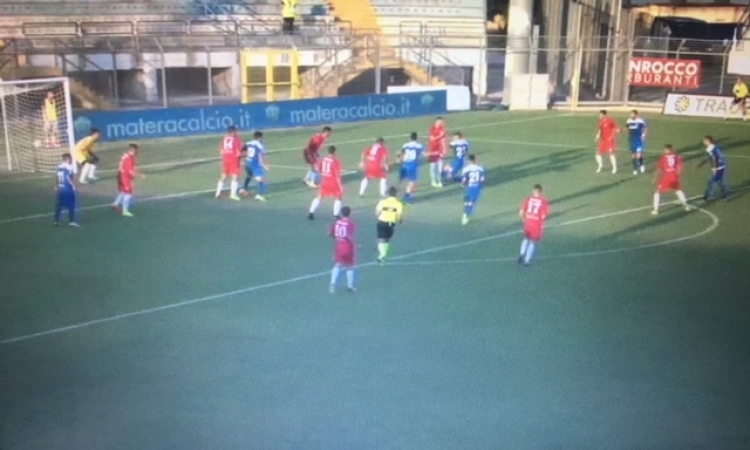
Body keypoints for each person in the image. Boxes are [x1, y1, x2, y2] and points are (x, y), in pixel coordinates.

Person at [651, 144, 691, 215]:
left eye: (665, 149)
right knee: (678, 190)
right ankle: (686, 206)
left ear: (668, 150)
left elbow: (659, 168)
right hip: (674, 176)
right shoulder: (676, 156)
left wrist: (655, 177)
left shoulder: (663, 158)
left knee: (657, 192)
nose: (664, 151)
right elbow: (680, 166)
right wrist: (677, 175)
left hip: (667, 177)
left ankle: (655, 210)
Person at [518, 184, 550, 266]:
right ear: (541, 192)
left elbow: (521, 213)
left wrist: (524, 220)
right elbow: (543, 216)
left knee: (525, 239)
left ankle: (522, 254)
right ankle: (527, 261)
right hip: (536, 224)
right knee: (532, 242)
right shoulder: (544, 202)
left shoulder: (528, 199)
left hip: (528, 222)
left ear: (533, 191)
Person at [308, 145, 343, 220]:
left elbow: (319, 170)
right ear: (335, 152)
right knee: (338, 197)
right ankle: (335, 215)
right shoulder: (335, 162)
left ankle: (311, 212)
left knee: (319, 197)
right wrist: (340, 186)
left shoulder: (323, 159)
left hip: (324, 181)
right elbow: (337, 175)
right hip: (333, 183)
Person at [329, 206, 357, 293]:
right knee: (349, 266)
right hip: (348, 246)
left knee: (337, 264)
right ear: (350, 213)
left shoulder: (337, 223)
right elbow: (350, 235)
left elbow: (330, 234)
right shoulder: (351, 223)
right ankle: (350, 286)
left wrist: (337, 237)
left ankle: (332, 284)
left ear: (341, 213)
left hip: (339, 245)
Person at [375, 186, 404, 264]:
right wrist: (400, 221)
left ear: (388, 193)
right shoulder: (398, 204)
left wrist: (380, 216)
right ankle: (383, 255)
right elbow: (399, 215)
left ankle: (382, 254)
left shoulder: (382, 202)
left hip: (381, 222)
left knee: (381, 239)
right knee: (387, 239)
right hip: (390, 223)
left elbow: (377, 212)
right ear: (396, 194)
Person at [113, 143, 143, 217]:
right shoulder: (129, 159)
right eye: (136, 150)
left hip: (123, 176)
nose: (137, 152)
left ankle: (116, 204)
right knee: (128, 193)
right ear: (133, 150)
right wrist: (140, 175)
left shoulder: (128, 156)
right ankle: (125, 211)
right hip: (125, 177)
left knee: (124, 191)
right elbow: (130, 171)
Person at [698, 135, 731, 202]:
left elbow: (714, 158)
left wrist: (715, 168)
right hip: (722, 165)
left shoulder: (710, 148)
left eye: (705, 140)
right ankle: (725, 196)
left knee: (712, 182)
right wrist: (701, 164)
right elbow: (713, 157)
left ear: (708, 141)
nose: (703, 141)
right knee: (720, 181)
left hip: (718, 167)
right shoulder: (716, 146)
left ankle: (707, 197)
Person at [215, 125, 243, 201]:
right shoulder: (236, 139)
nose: (237, 132)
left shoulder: (224, 139)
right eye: (236, 131)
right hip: (234, 160)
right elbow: (238, 153)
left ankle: (218, 192)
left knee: (223, 176)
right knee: (235, 177)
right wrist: (244, 155)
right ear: (233, 132)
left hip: (226, 160)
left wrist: (225, 158)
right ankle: (233, 194)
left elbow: (221, 152)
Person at [240, 131, 269, 202]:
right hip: (255, 164)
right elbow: (260, 156)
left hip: (247, 163)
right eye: (262, 137)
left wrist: (245, 155)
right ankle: (259, 195)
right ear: (259, 138)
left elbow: (242, 150)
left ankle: (244, 189)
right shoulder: (260, 145)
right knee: (260, 179)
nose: (263, 139)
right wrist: (264, 165)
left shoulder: (249, 143)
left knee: (249, 176)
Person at [398, 132, 425, 203]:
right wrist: (434, 153)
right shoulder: (419, 146)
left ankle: (395, 192)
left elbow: (401, 154)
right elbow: (424, 154)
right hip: (412, 165)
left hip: (405, 164)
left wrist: (399, 160)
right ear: (417, 138)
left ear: (410, 138)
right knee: (412, 181)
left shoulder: (405, 145)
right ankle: (406, 195)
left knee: (401, 179)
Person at [54, 153, 79, 227]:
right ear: (68, 159)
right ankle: (71, 221)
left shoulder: (59, 167)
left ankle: (56, 221)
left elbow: (57, 177)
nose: (71, 160)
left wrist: (56, 185)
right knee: (71, 205)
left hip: (60, 187)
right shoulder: (69, 167)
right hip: (67, 188)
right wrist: (73, 185)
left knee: (59, 205)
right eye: (70, 159)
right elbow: (68, 177)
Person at [461, 154, 485, 225]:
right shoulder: (480, 168)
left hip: (469, 186)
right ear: (474, 160)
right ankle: (466, 214)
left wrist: (463, 184)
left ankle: (465, 213)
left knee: (467, 199)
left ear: (468, 161)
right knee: (472, 202)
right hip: (476, 186)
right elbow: (482, 179)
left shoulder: (465, 169)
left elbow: (464, 179)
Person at [595, 110, 619, 174]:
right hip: (603, 140)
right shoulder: (600, 122)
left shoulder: (610, 120)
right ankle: (601, 165)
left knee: (611, 154)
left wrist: (612, 137)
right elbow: (600, 129)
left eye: (600, 115)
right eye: (599, 114)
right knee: (597, 154)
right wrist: (598, 135)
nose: (599, 116)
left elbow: (615, 129)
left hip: (610, 141)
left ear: (604, 115)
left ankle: (614, 168)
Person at [626, 110, 647, 175]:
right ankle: (635, 169)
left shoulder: (640, 121)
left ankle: (641, 165)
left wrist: (643, 135)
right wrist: (620, 130)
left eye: (632, 114)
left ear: (636, 115)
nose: (631, 115)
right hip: (631, 140)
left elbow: (645, 128)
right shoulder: (628, 120)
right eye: (630, 114)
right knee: (633, 156)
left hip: (638, 140)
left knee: (638, 155)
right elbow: (626, 127)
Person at [428, 117, 447, 187]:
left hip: (440, 150)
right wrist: (440, 136)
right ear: (437, 121)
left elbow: (443, 140)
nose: (441, 123)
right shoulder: (432, 128)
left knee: (440, 166)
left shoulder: (442, 129)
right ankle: (433, 181)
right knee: (433, 166)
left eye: (442, 122)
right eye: (440, 122)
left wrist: (444, 148)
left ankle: (439, 181)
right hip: (433, 149)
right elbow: (432, 139)